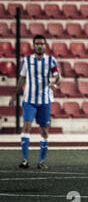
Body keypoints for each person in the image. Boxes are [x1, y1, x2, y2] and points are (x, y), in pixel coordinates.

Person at [9, 34, 61, 169]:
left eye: (42, 44)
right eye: (37, 43)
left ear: (45, 46)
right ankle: (25, 160)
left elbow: (57, 77)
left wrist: (54, 82)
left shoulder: (51, 60)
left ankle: (41, 161)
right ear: (33, 46)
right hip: (29, 100)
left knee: (44, 131)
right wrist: (15, 95)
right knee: (26, 127)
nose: (39, 46)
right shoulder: (26, 61)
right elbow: (22, 78)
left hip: (45, 101)